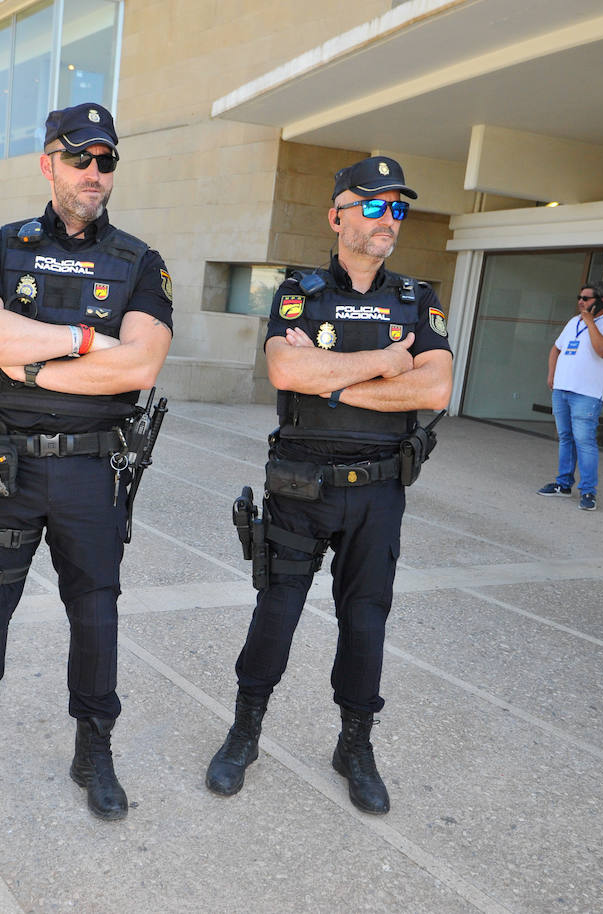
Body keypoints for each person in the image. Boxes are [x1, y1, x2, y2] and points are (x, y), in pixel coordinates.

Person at [0, 103, 173, 823]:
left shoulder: (141, 261)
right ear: (48, 161)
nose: (94, 171)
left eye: (106, 159)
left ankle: (95, 750)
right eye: (79, 156)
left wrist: (25, 366)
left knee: (95, 615)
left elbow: (140, 365)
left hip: (92, 471)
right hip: (5, 466)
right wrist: (87, 343)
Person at [205, 155, 452, 815]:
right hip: (301, 484)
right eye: (374, 204)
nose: (388, 218)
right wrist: (381, 365)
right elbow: (286, 372)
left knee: (365, 621)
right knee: (277, 613)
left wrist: (332, 374)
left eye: (398, 207)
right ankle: (244, 732)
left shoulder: (416, 298)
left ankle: (355, 745)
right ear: (337, 214)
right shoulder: (300, 292)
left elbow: (435, 387)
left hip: (378, 489)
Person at [536, 283, 603, 511]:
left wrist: (589, 321)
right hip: (562, 390)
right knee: (566, 437)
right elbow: (556, 348)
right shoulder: (572, 322)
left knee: (585, 441)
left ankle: (588, 491)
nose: (580, 302)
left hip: (587, 394)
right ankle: (563, 484)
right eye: (579, 297)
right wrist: (552, 375)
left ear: (602, 300)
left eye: (586, 298)